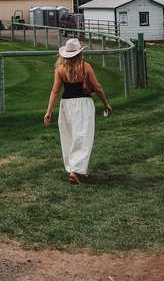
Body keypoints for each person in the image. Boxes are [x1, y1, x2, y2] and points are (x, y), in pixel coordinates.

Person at [43, 37, 112, 184]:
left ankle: (78, 168)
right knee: (83, 136)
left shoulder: (60, 69)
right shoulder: (85, 66)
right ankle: (76, 170)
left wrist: (49, 110)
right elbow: (97, 88)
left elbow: (55, 91)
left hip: (66, 105)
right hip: (83, 103)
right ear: (79, 53)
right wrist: (105, 104)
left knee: (69, 136)